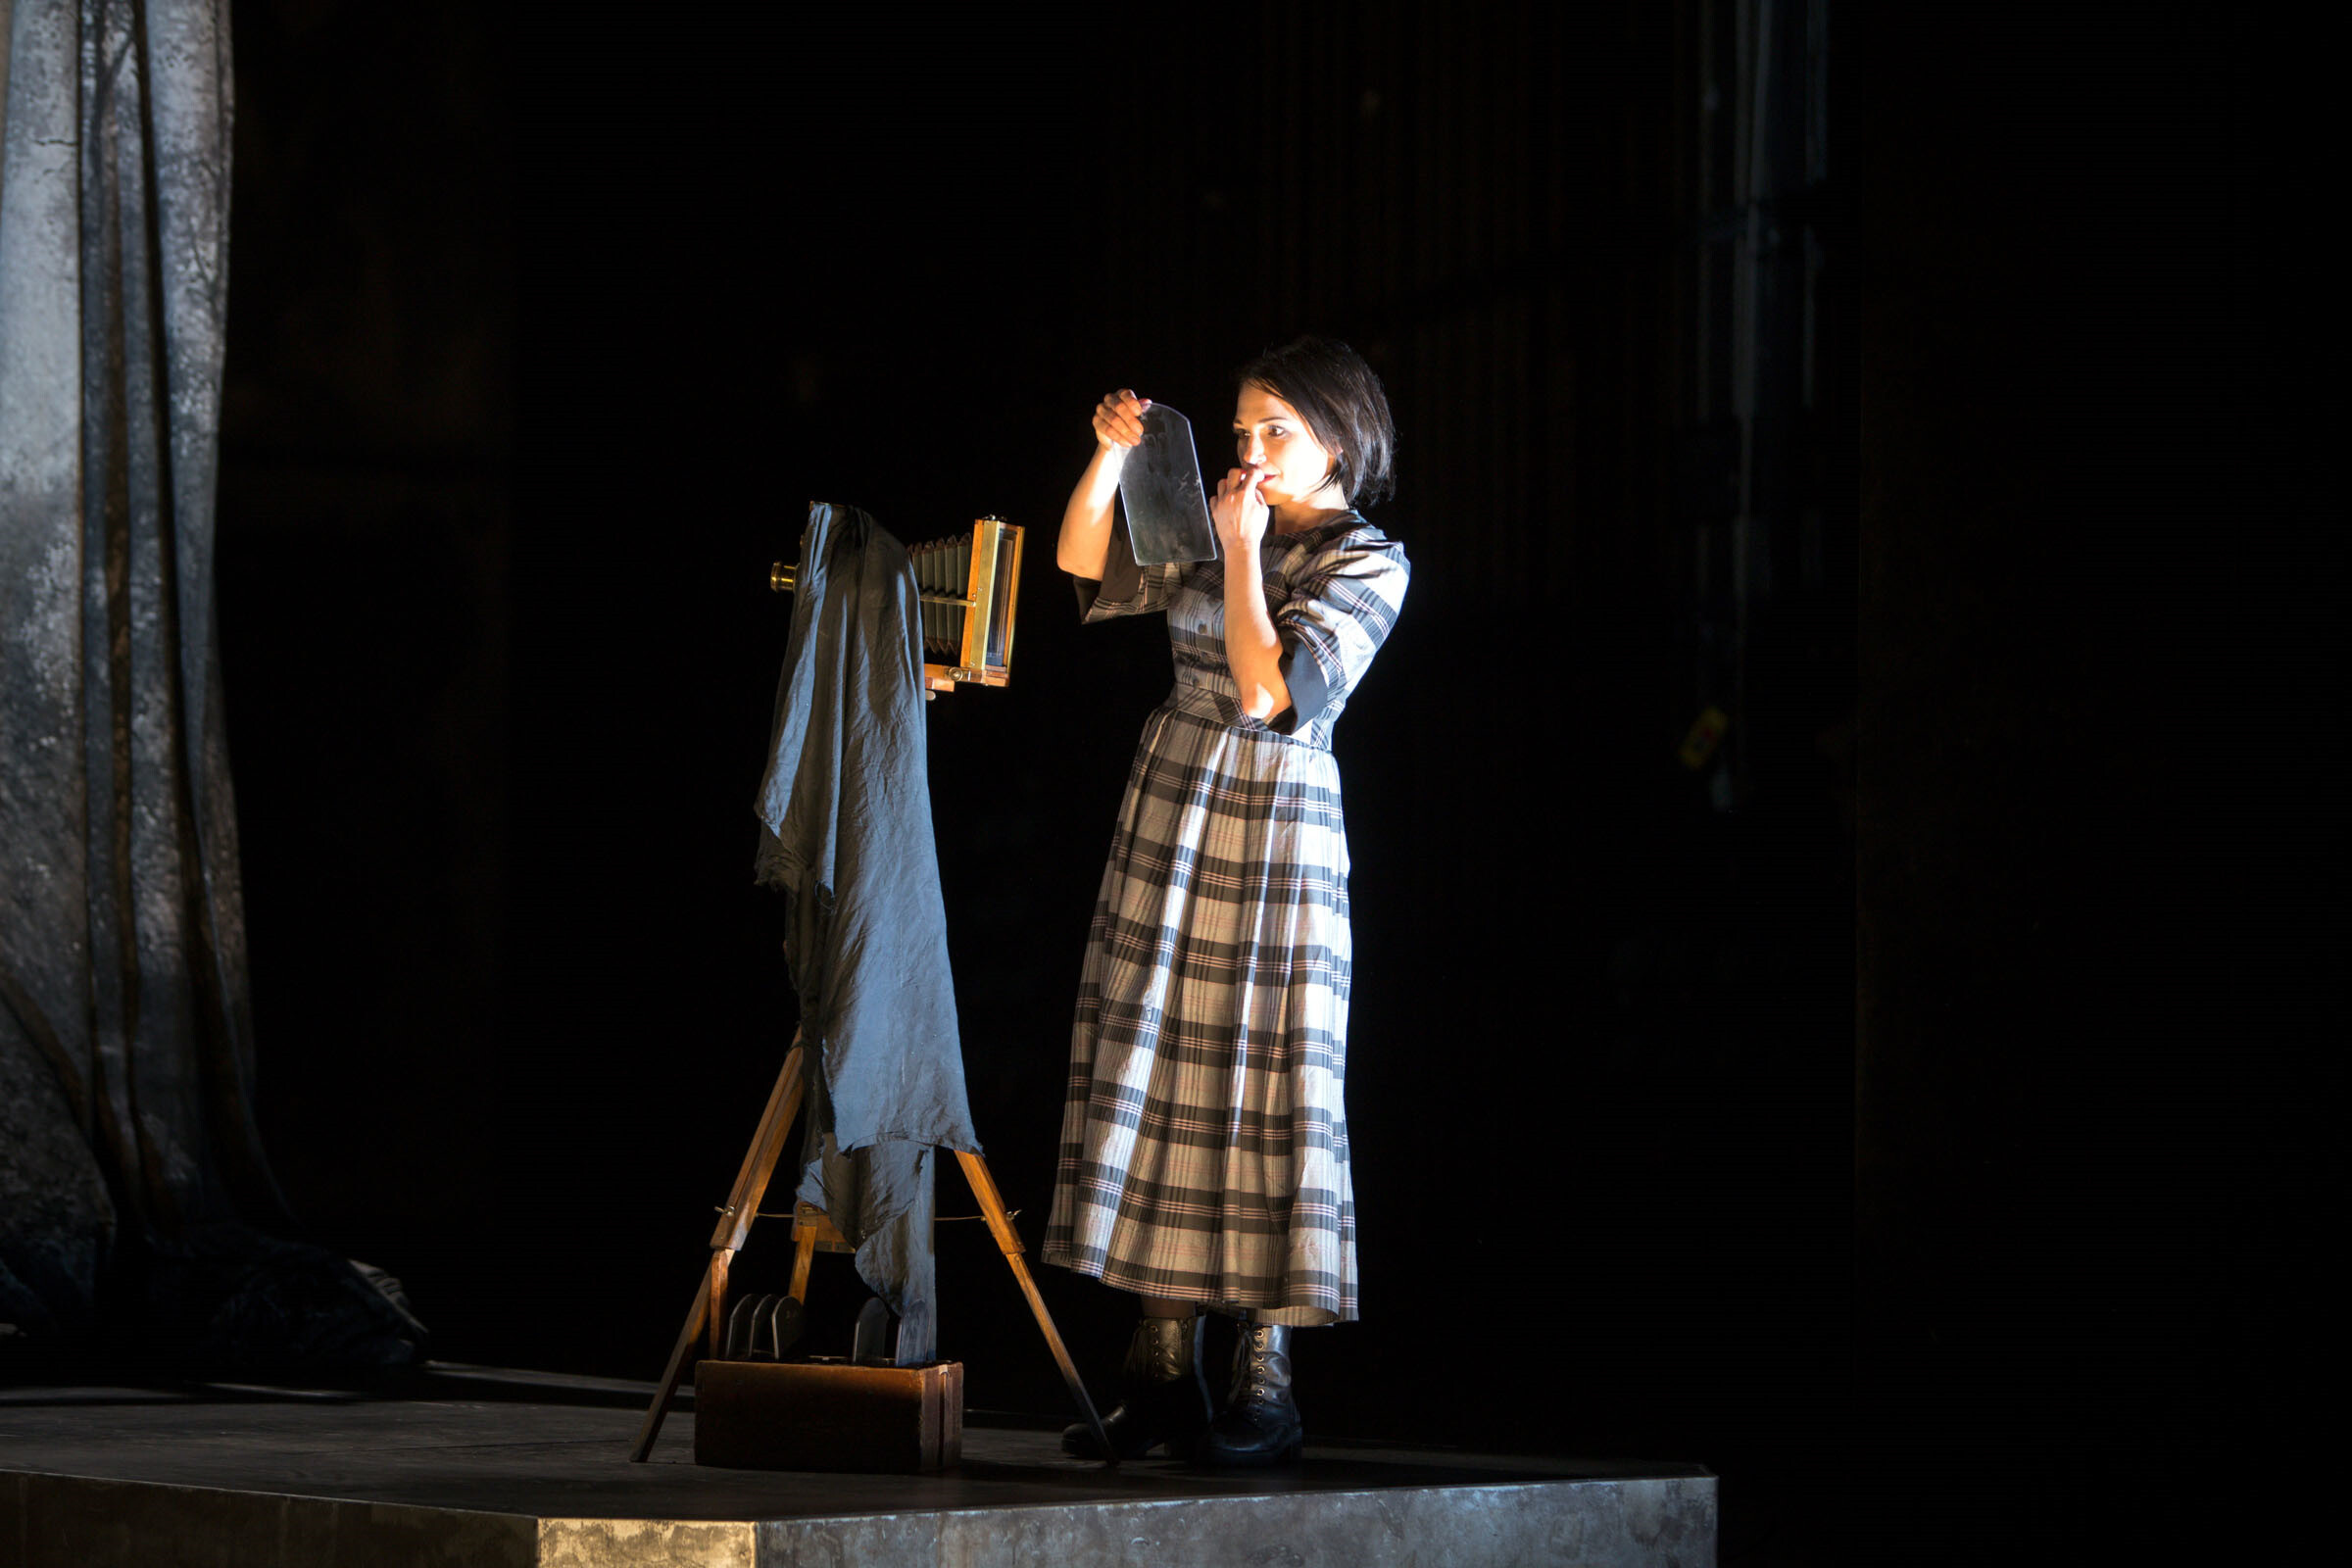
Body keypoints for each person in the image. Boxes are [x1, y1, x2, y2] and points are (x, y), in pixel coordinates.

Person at [1043, 336, 1411, 1465]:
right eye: (1241, 430)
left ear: (1338, 442)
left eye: (1276, 432)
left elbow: (1267, 693)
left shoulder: (1369, 562)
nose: (1249, 452)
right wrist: (1107, 461)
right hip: (1173, 811)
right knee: (1157, 1066)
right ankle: (1160, 1375)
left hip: (1278, 836)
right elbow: (1081, 567)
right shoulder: (1211, 524)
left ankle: (1266, 1382)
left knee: (1266, 1085)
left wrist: (1244, 553)